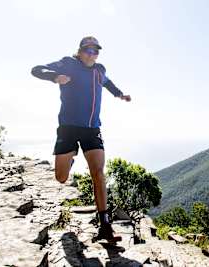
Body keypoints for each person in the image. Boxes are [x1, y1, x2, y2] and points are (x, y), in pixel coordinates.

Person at [31, 36, 131, 242]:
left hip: (92, 129)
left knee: (98, 173)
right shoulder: (68, 63)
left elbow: (108, 83)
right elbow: (36, 69)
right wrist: (54, 77)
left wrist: (120, 94)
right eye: (88, 50)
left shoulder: (99, 69)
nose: (92, 54)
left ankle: (105, 225)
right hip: (68, 128)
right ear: (80, 50)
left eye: (96, 51)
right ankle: (70, 160)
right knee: (61, 177)